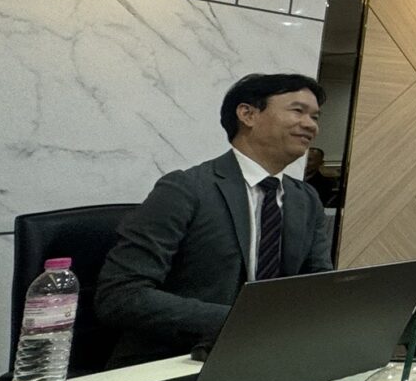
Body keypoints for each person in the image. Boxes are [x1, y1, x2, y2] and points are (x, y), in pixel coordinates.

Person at [99, 73, 334, 366]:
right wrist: (243, 322)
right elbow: (121, 295)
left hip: (266, 356)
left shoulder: (305, 199)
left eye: (315, 117)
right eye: (298, 111)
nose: (311, 125)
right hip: (176, 359)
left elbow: (317, 286)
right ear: (248, 114)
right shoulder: (185, 189)